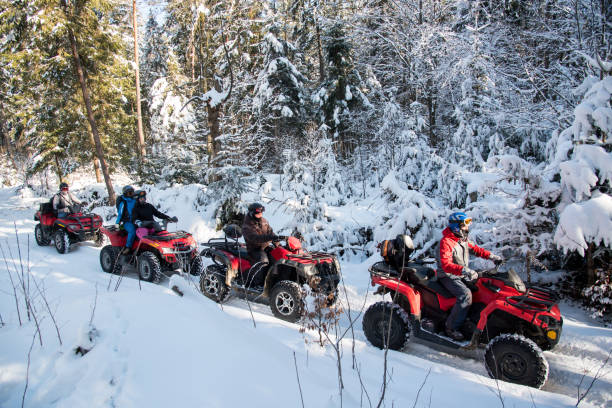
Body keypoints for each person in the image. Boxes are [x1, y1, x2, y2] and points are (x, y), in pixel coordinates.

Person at [438, 212, 502, 341]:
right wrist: (464, 270)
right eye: (465, 225)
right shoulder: (446, 242)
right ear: (457, 226)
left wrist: (492, 257)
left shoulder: (463, 240)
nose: (467, 228)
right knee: (465, 295)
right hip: (447, 276)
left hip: (461, 274)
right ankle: (451, 327)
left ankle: (471, 321)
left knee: (481, 288)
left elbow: (477, 250)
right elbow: (446, 265)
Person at [241, 203, 284, 287]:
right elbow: (255, 238)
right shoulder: (247, 225)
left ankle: (275, 279)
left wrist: (277, 243)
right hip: (254, 249)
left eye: (261, 213)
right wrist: (269, 237)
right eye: (258, 213)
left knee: (278, 255)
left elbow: (271, 233)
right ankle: (258, 283)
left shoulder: (264, 221)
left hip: (265, 247)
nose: (260, 215)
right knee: (263, 260)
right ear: (251, 213)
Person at [115, 185, 138, 254]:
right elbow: (120, 213)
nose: (131, 194)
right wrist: (117, 223)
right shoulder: (123, 202)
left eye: (132, 192)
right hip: (127, 222)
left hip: (137, 220)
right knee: (132, 231)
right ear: (125, 193)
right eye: (129, 193)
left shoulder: (136, 200)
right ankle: (128, 247)